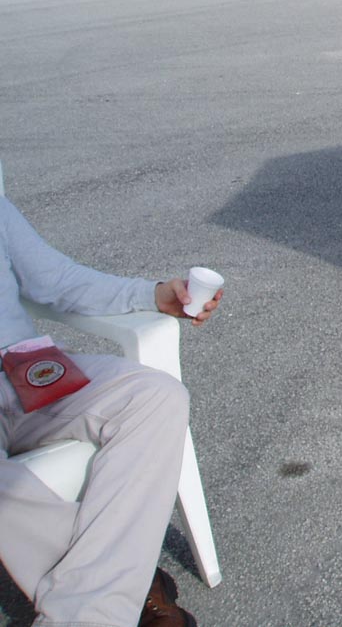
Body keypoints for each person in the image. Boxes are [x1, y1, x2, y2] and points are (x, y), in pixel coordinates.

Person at [1, 195, 222, 626]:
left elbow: (56, 279)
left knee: (155, 397)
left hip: (24, 367)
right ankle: (122, 592)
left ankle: (104, 596)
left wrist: (153, 296)